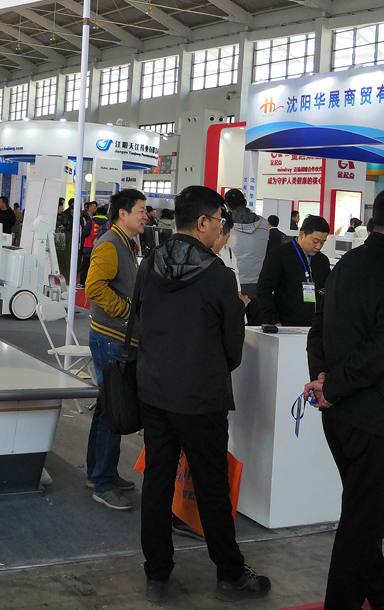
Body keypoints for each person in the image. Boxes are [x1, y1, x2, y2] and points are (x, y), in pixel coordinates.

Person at [134, 185, 270, 604]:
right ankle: (230, 574)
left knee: (158, 482)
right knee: (211, 486)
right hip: (200, 398)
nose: (222, 230)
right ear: (203, 222)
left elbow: (137, 321)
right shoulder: (217, 275)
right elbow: (233, 349)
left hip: (154, 391)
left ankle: (157, 573)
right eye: (220, 221)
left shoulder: (149, 263)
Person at [304, 188, 384, 610]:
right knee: (362, 523)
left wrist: (323, 379)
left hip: (339, 414)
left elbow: (318, 328)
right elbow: (381, 348)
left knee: (362, 510)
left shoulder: (346, 262)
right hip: (377, 414)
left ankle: (377, 579)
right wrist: (332, 385)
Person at [84, 188, 147, 511]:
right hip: (111, 339)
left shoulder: (125, 243)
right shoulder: (110, 244)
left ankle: (98, 472)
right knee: (114, 409)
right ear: (123, 213)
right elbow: (94, 287)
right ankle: (104, 483)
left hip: (116, 339)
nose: (146, 216)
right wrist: (126, 312)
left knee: (106, 406)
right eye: (141, 210)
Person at [257, 215, 330, 328]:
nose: (318, 246)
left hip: (315, 326)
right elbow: (264, 291)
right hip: (286, 325)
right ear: (302, 234)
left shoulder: (322, 261)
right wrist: (274, 321)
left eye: (322, 242)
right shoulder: (279, 255)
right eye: (315, 241)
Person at [222, 189, 269, 326]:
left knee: (233, 330)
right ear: (245, 202)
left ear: (228, 207)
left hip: (232, 287)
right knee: (255, 333)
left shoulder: (225, 227)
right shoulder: (264, 224)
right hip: (257, 287)